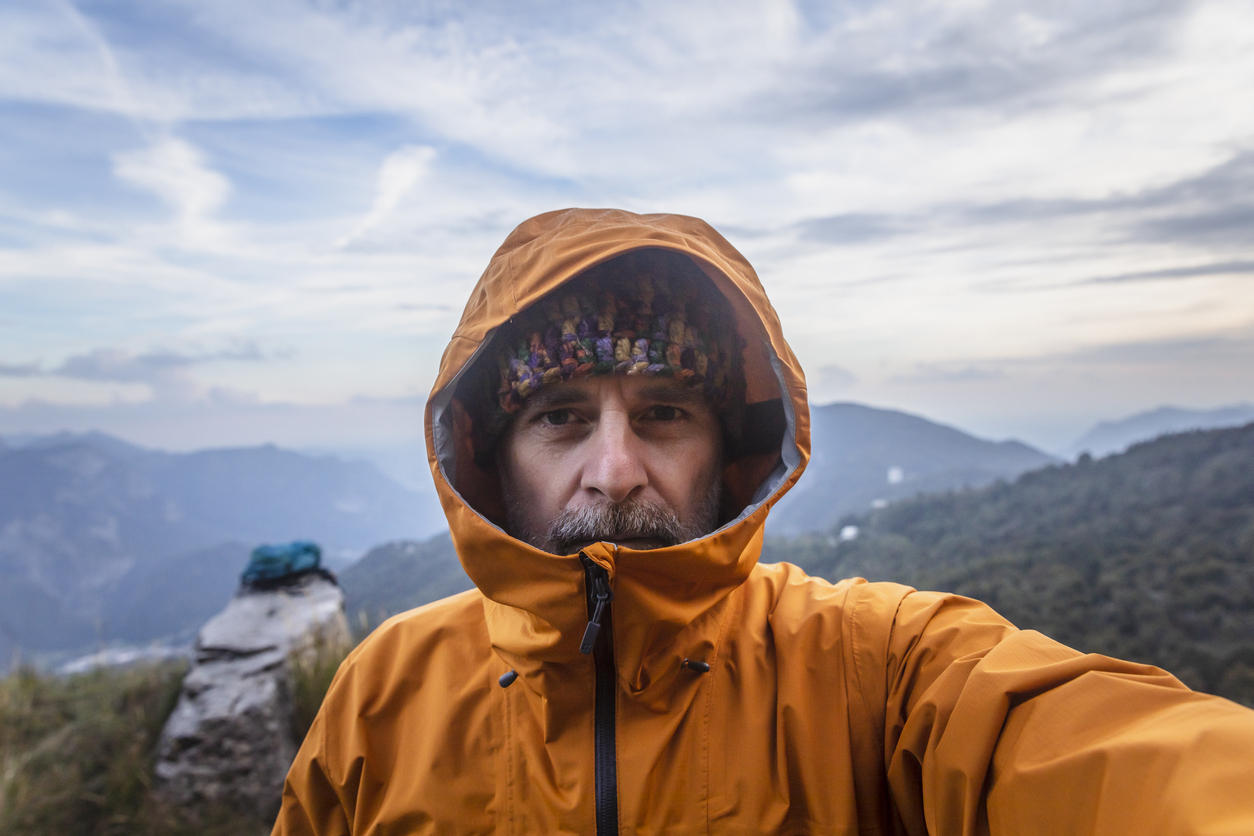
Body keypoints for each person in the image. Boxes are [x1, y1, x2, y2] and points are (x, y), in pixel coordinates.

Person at [273, 208, 1254, 835]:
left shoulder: (877, 667)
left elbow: (1120, 764)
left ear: (728, 447)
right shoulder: (382, 697)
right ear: (491, 449)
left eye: (664, 410)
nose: (613, 472)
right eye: (560, 415)